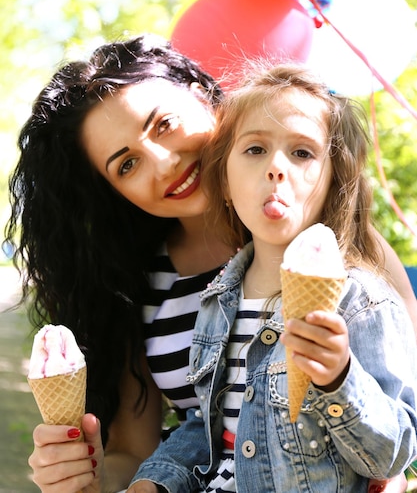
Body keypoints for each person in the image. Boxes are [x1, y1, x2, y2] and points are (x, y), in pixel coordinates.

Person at [4, 36, 415, 493]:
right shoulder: (136, 284)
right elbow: (140, 454)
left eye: (164, 124)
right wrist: (86, 473)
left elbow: (400, 396)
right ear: (114, 193)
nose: (164, 164)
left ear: (201, 91)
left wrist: (390, 472)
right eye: (127, 165)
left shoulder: (329, 249)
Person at [127, 63, 417, 493]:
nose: (277, 167)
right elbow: (209, 429)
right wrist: (153, 481)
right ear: (224, 180)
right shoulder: (218, 299)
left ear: (334, 179)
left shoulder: (361, 299)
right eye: (255, 149)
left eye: (302, 153)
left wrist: (340, 378)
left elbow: (393, 454)